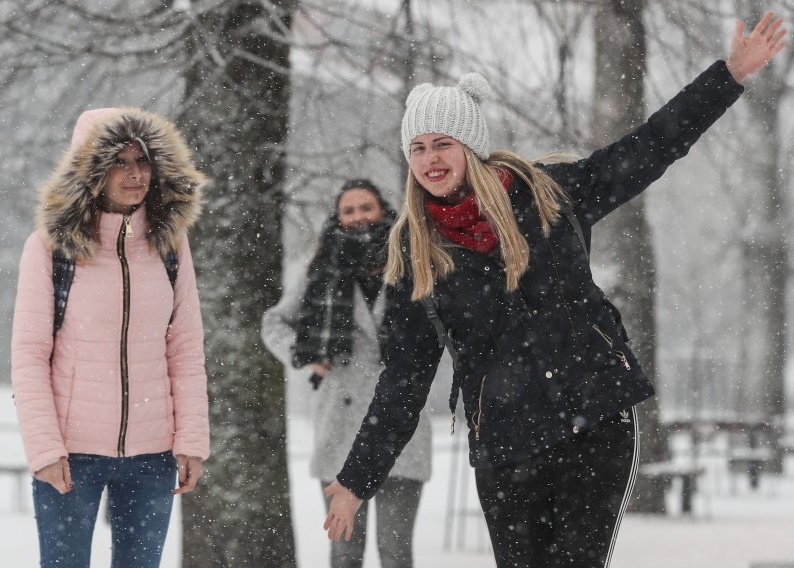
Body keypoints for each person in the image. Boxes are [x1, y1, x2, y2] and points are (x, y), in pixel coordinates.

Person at [323, 12, 787, 568]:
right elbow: (403, 380)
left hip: (592, 419)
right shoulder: (415, 256)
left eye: (442, 143)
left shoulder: (550, 198)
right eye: (417, 148)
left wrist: (728, 76)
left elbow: (650, 148)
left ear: (469, 146)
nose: (429, 160)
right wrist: (356, 479)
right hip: (503, 442)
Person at [11, 107, 210, 568]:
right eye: (119, 162)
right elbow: (29, 355)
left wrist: (191, 441)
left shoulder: (169, 244)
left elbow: (184, 348)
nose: (135, 174)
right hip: (70, 455)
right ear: (92, 169)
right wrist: (44, 449)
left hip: (152, 455)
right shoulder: (50, 247)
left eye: (142, 161)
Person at [262, 179, 431, 568]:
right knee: (344, 553)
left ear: (383, 210)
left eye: (365, 208)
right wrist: (303, 355)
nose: (358, 217)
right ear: (337, 218)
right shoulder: (321, 270)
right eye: (348, 210)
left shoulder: (411, 262)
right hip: (340, 425)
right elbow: (275, 322)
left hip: (400, 425)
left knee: (396, 553)